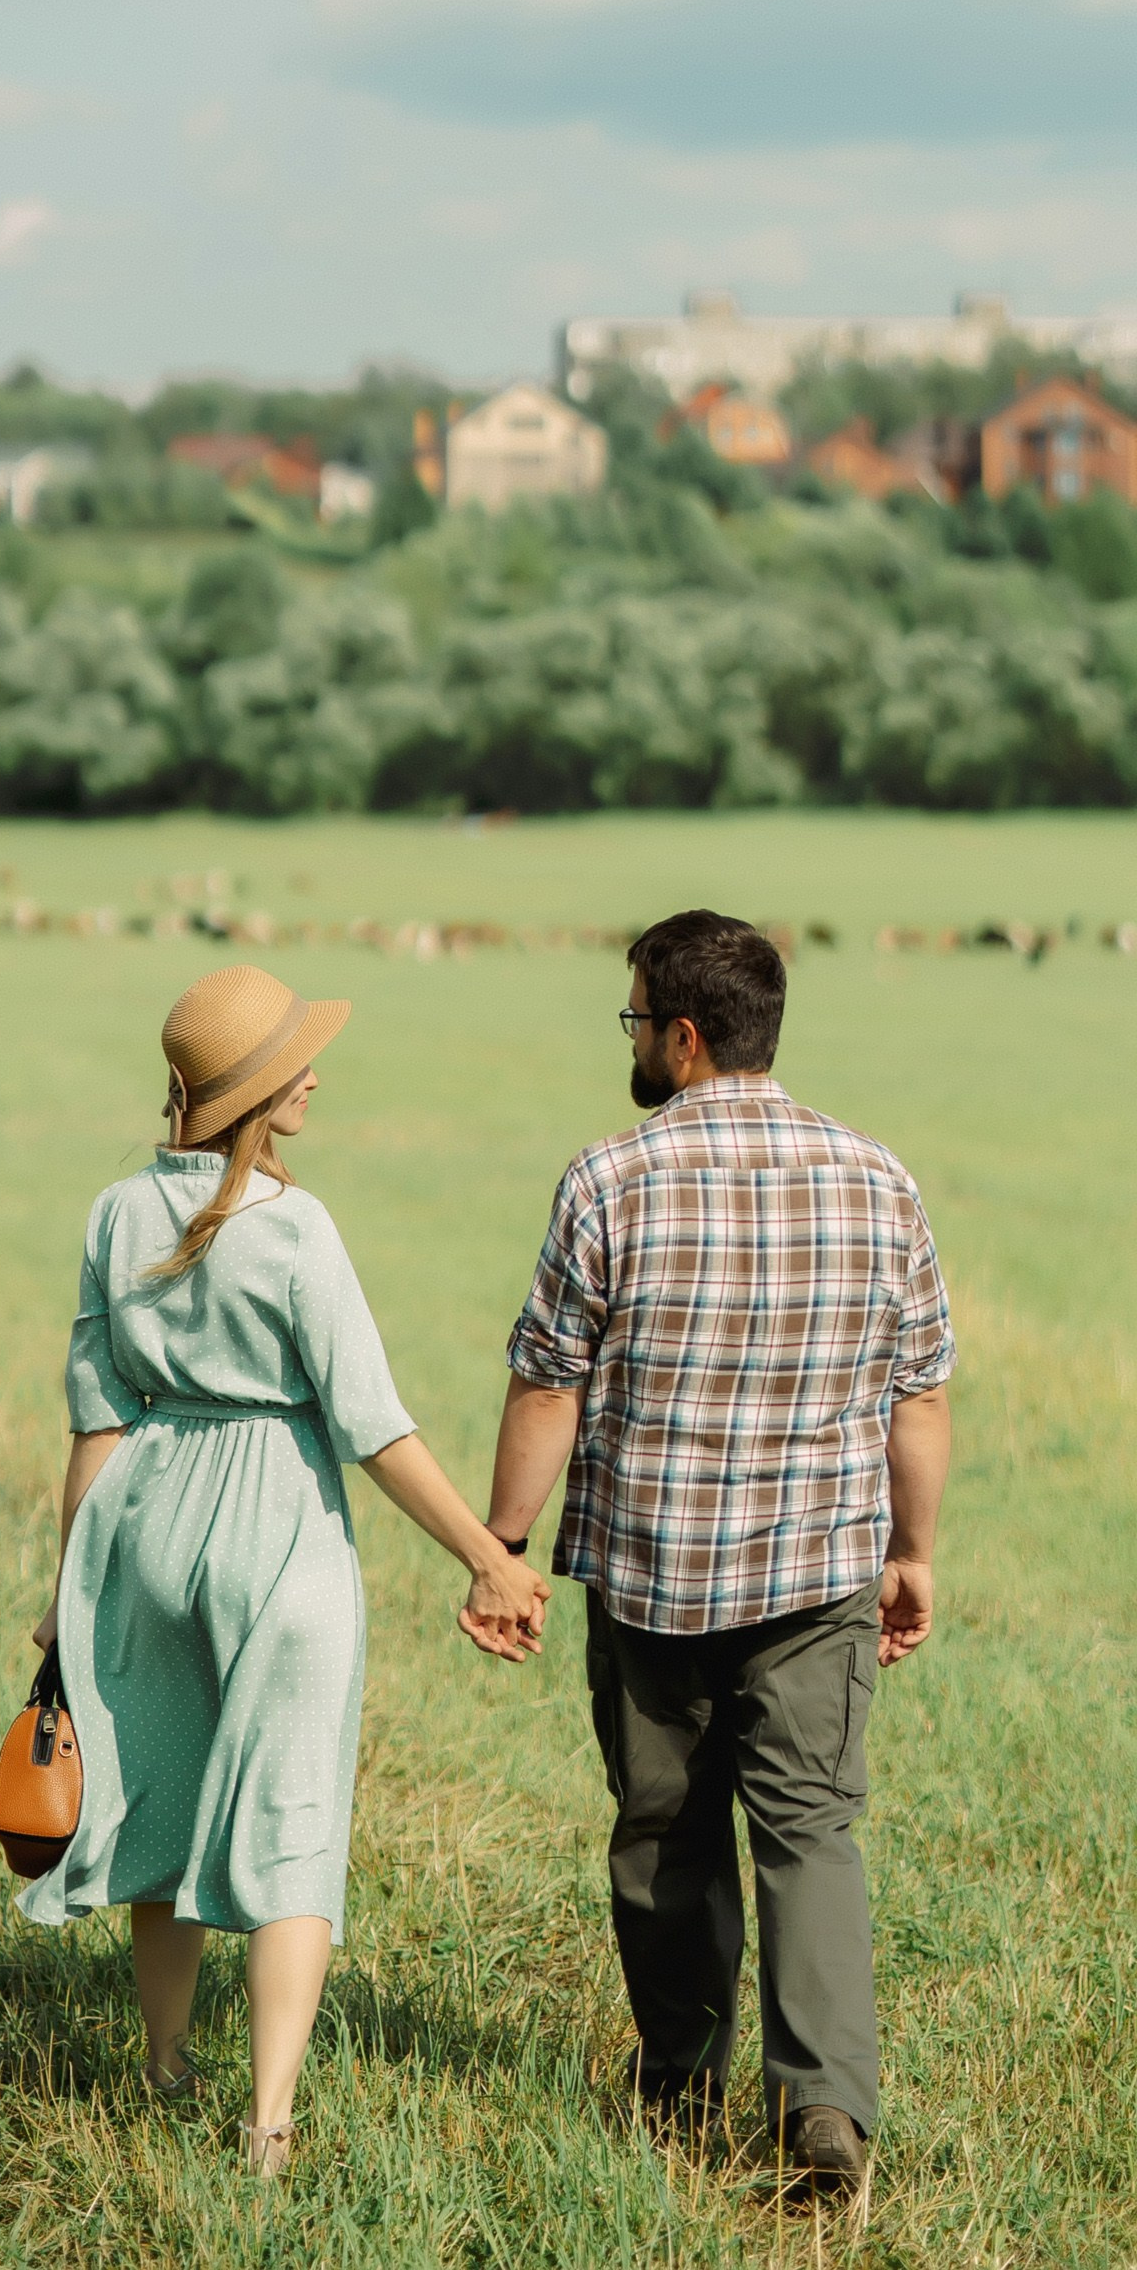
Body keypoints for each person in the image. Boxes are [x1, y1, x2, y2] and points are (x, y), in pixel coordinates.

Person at [23, 962, 548, 2177]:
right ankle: (266, 2122)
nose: (316, 1072)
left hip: (142, 1524)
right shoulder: (296, 1225)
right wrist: (486, 1557)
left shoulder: (115, 1212)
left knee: (153, 1793)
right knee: (290, 1821)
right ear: (251, 1092)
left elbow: (92, 1421)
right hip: (278, 1533)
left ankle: (160, 2065)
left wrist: (68, 1592)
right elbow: (369, 1425)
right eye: (296, 1060)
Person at [485, 909, 955, 2201]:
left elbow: (546, 1389)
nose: (632, 1040)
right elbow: (918, 1396)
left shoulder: (606, 1179)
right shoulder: (879, 1177)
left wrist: (504, 1546)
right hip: (818, 1578)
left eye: (637, 1019)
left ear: (684, 1037)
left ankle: (680, 2087)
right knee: (811, 1835)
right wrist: (912, 1552)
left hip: (649, 1579)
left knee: (665, 1834)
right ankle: (826, 2121)